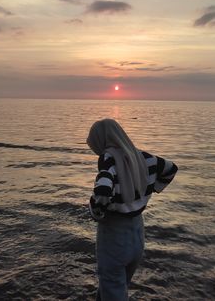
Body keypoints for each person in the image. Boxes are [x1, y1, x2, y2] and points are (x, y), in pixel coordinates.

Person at [87, 118, 178, 301]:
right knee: (117, 285)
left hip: (114, 236)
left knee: (112, 285)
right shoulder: (142, 157)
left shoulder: (108, 159)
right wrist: (149, 190)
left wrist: (97, 211)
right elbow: (171, 168)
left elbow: (103, 190)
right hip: (137, 234)